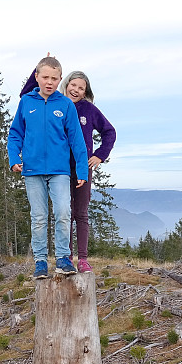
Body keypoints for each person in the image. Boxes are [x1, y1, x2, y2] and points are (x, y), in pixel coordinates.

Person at [21, 66, 116, 273]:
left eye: (81, 88)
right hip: (56, 167)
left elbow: (109, 132)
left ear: (86, 91)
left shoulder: (89, 110)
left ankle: (82, 259)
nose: (76, 90)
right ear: (65, 84)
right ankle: (66, 257)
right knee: (62, 212)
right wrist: (38, 68)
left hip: (82, 166)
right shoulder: (55, 102)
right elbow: (27, 94)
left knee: (79, 213)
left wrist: (100, 155)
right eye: (73, 85)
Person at [8, 56, 89, 279]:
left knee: (63, 212)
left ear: (60, 79)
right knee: (39, 217)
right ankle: (40, 262)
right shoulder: (26, 102)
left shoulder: (64, 105)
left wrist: (82, 170)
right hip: (32, 170)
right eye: (45, 77)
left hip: (60, 171)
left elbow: (77, 141)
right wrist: (13, 157)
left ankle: (63, 258)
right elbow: (15, 133)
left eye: (54, 78)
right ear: (36, 77)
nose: (49, 82)